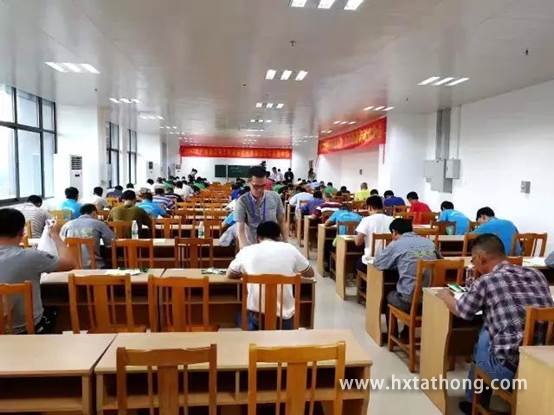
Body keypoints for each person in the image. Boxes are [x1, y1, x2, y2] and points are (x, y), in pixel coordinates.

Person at [436, 234, 553, 414]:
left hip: (509, 372)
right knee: (491, 325)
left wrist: (446, 296)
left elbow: (463, 311)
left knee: (485, 332)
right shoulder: (536, 274)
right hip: (541, 362)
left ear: (481, 258)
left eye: (473, 260)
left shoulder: (486, 281)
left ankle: (473, 402)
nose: (474, 265)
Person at [227, 221, 314, 330]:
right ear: (279, 236)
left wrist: (245, 272)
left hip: (257, 319)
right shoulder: (290, 249)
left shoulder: (247, 251)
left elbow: (230, 274)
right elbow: (310, 273)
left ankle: (252, 330)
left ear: (258, 238)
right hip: (286, 321)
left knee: (237, 314)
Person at [0, 208, 76, 333]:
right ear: (22, 232)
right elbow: (70, 263)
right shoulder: (31, 256)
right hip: (27, 330)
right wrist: (55, 236)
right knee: (59, 312)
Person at [374, 218, 440, 313]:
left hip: (409, 302)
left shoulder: (396, 244)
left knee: (389, 294)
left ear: (394, 232)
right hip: (431, 299)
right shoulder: (429, 243)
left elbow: (378, 263)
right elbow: (440, 261)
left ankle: (394, 322)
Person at [235, 166, 287, 248]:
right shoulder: (242, 201)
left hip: (273, 245)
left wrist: (286, 243)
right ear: (248, 182)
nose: (259, 190)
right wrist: (244, 250)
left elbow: (281, 221)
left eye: (262, 186)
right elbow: (240, 230)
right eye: (256, 186)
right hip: (252, 245)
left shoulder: (275, 197)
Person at [60, 204, 115, 268]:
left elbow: (60, 244)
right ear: (94, 213)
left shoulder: (67, 225)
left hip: (73, 266)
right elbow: (111, 242)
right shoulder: (98, 223)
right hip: (94, 266)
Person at [355, 196, 394, 272]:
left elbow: (358, 242)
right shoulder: (392, 219)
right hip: (389, 262)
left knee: (357, 262)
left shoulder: (366, 220)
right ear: (382, 207)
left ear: (369, 207)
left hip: (372, 262)